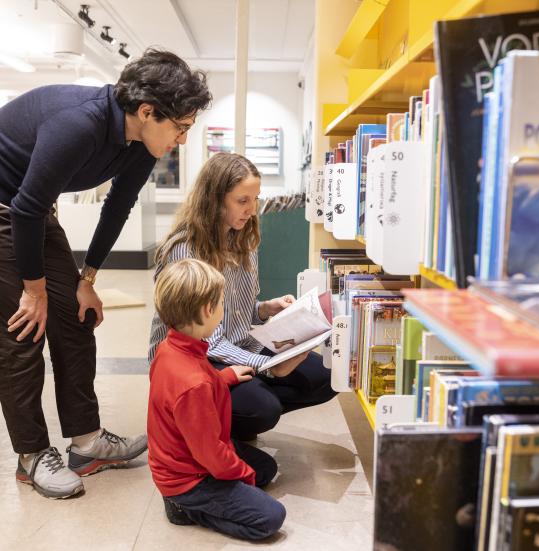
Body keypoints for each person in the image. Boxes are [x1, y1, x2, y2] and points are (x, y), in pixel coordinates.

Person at [0, 48, 212, 499]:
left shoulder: (140, 141)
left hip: (31, 209)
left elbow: (119, 204)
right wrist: (33, 292)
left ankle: (86, 443)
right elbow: (25, 209)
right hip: (10, 208)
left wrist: (87, 280)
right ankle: (32, 455)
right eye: (181, 128)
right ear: (147, 111)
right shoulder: (78, 124)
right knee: (24, 329)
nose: (183, 140)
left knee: (77, 316)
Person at [149, 152, 337, 441]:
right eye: (242, 200)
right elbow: (205, 337)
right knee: (263, 408)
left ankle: (229, 411)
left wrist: (264, 310)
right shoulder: (186, 251)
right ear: (214, 199)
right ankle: (200, 422)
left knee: (325, 377)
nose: (251, 210)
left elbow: (233, 312)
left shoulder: (243, 240)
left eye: (255, 199)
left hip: (236, 344)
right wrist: (269, 368)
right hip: (195, 359)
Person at [149, 258, 285, 540]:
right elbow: (209, 453)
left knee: (267, 469)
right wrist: (243, 478)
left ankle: (196, 497)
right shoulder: (194, 384)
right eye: (222, 304)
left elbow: (186, 391)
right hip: (189, 480)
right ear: (208, 310)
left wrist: (226, 377)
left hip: (183, 457)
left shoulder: (170, 348)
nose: (223, 311)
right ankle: (184, 509)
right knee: (271, 517)